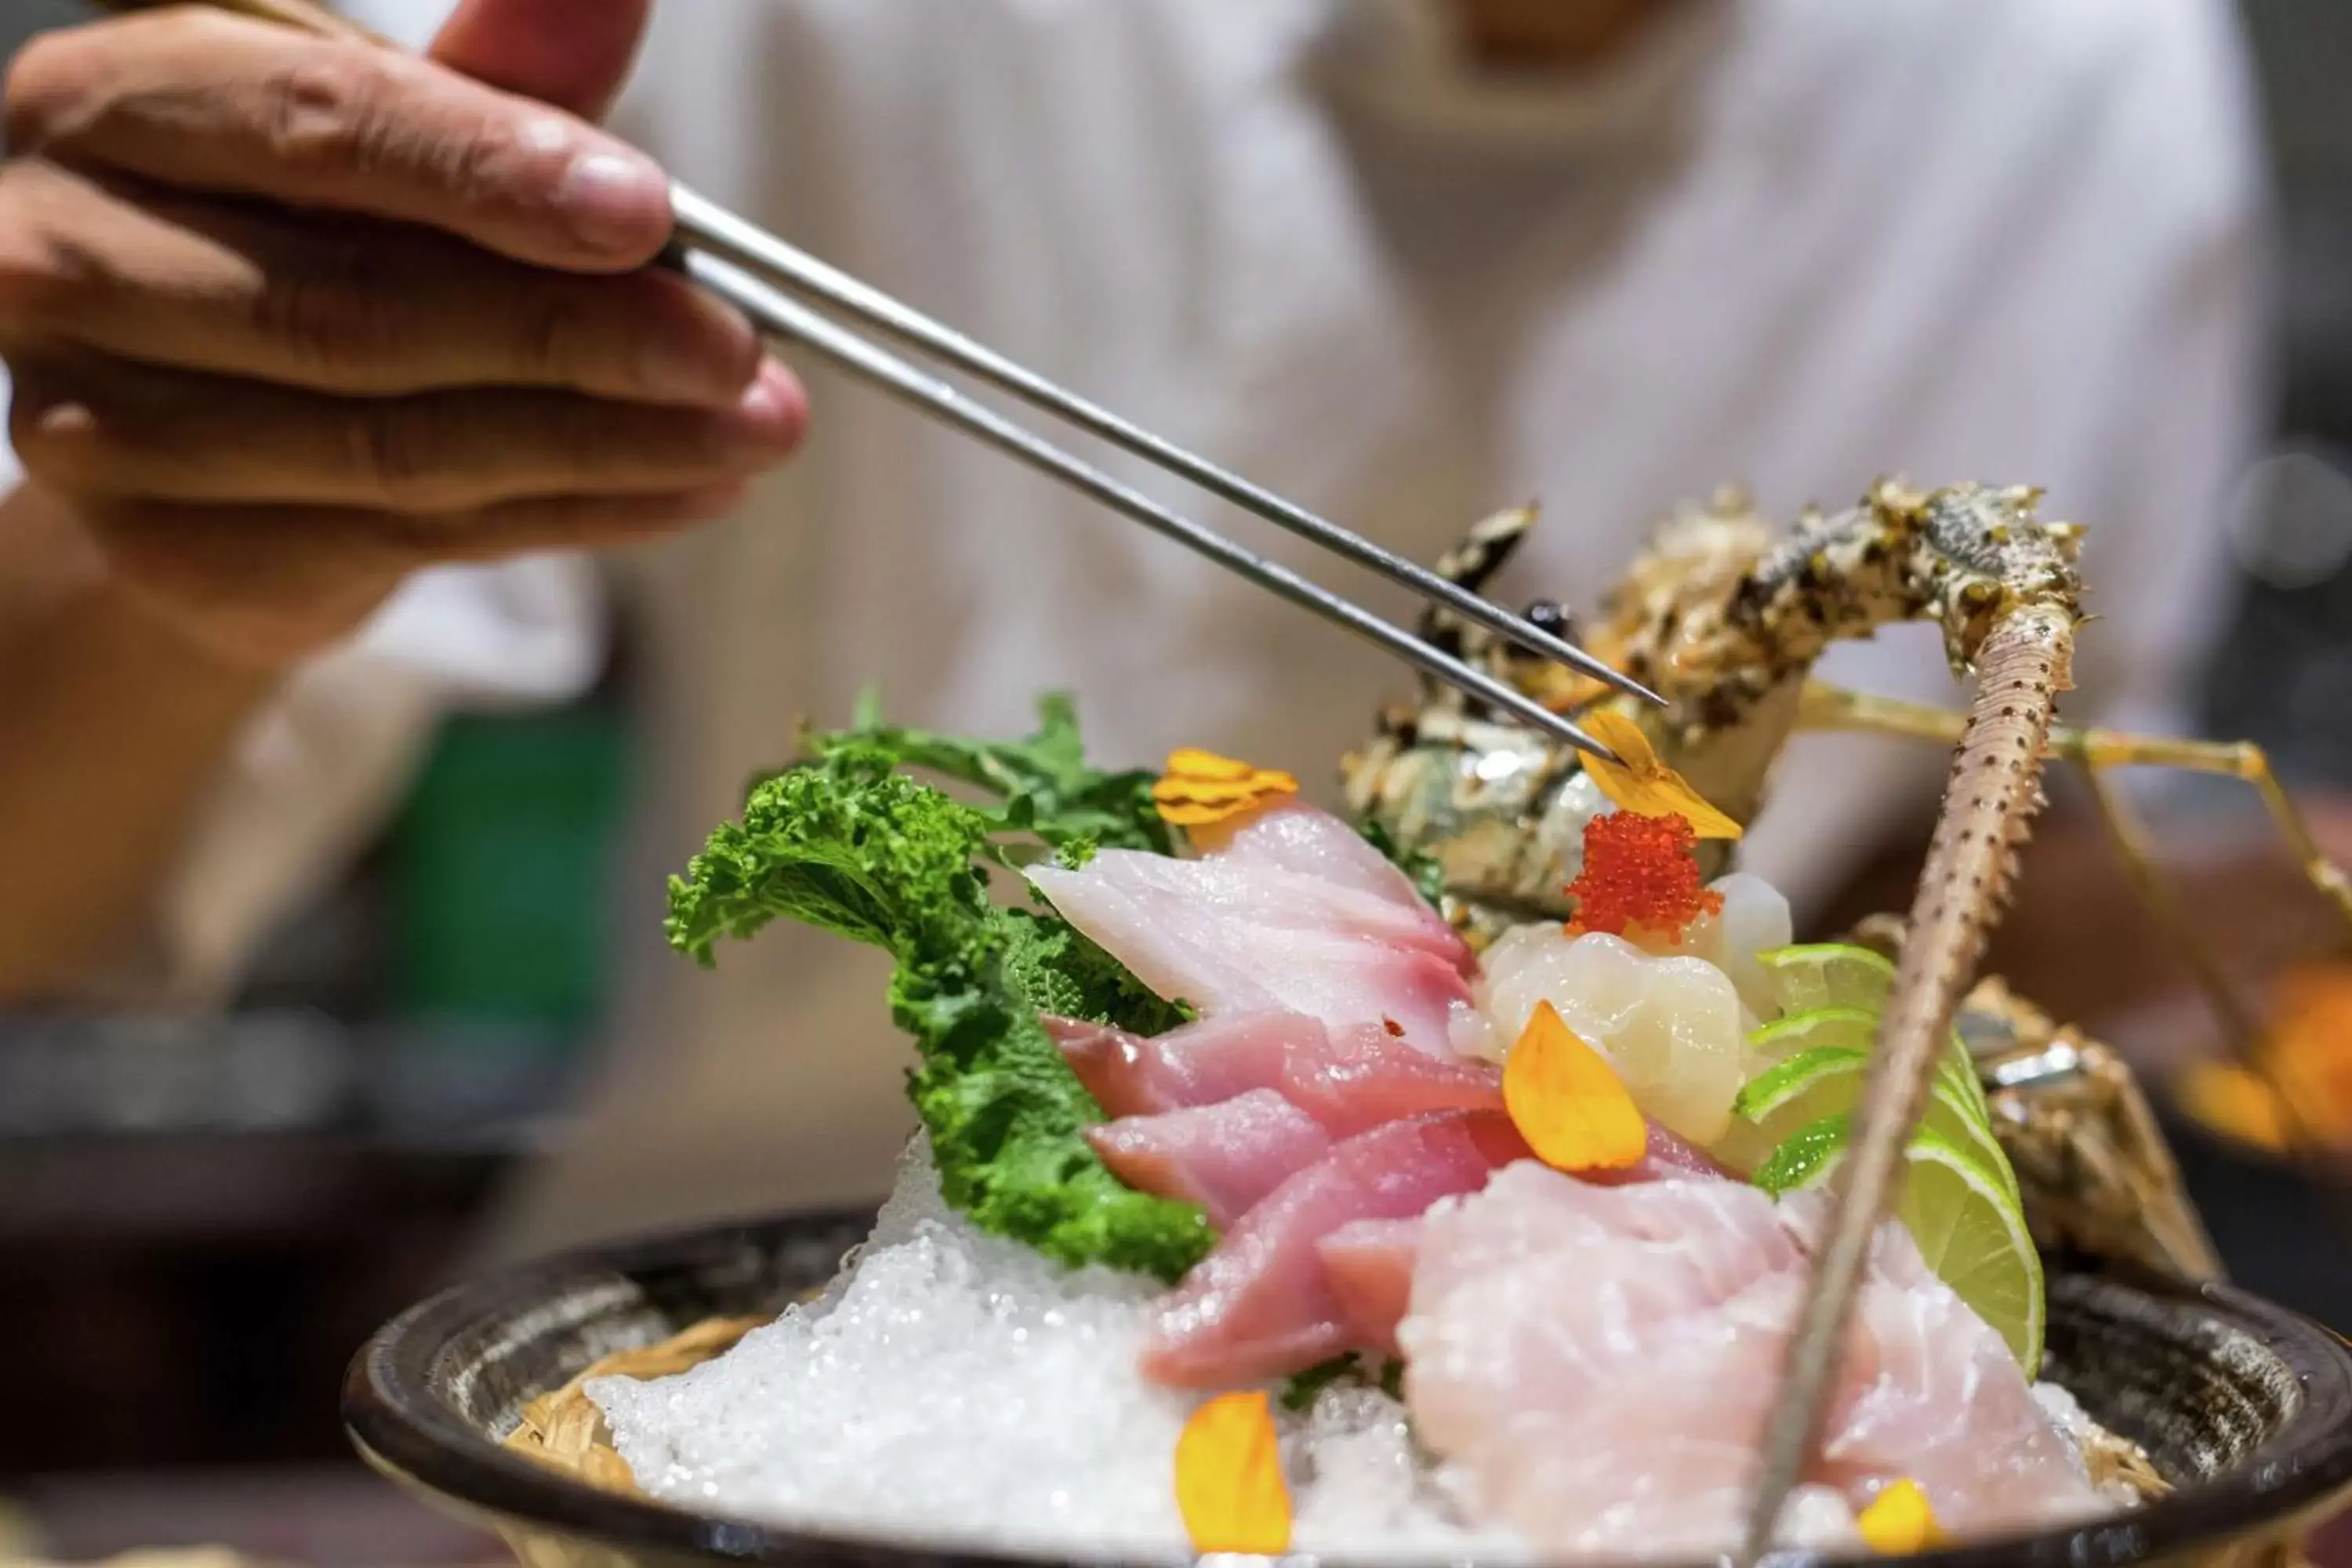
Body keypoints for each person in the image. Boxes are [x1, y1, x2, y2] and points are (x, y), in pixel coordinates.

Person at [0, 0, 2269, 1259]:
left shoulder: (2094, 80)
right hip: (786, 1290)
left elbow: (1937, 908)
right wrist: (191, 500)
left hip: (1647, 1365)